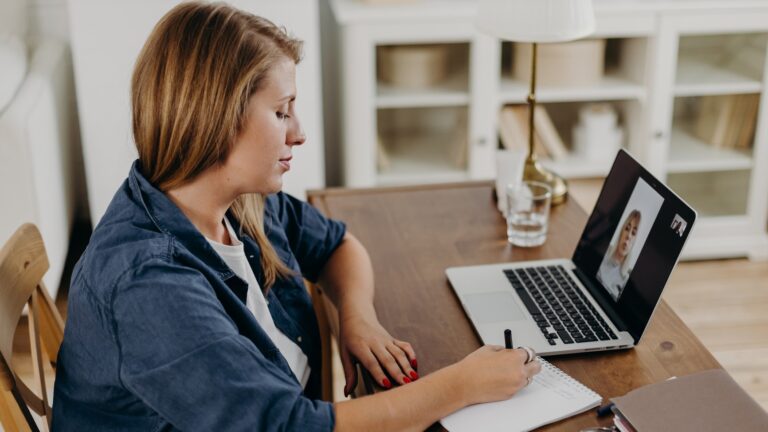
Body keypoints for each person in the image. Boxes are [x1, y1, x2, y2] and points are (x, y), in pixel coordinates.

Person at [51, 2, 540, 431]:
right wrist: (461, 384)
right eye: (282, 112)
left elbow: (335, 244)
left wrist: (357, 318)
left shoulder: (235, 202)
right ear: (217, 119)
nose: (299, 133)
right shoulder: (148, 286)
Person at [597, 209, 641, 301]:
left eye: (633, 233)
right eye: (627, 228)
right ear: (621, 231)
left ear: (635, 241)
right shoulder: (602, 250)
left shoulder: (625, 279)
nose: (628, 236)